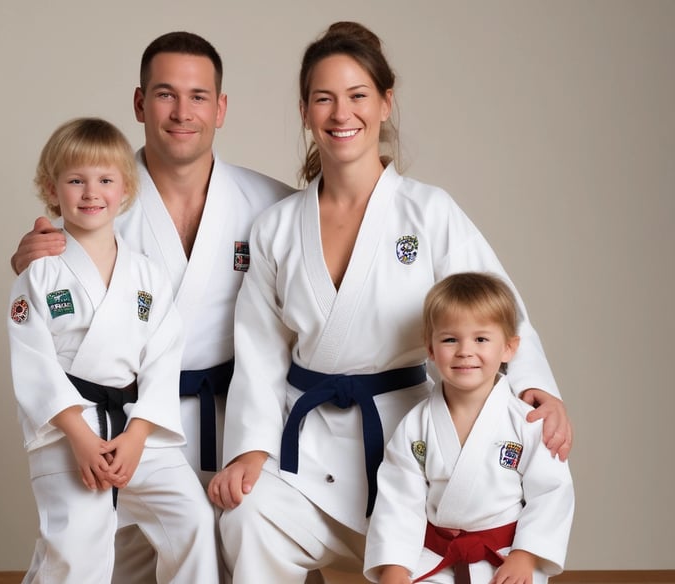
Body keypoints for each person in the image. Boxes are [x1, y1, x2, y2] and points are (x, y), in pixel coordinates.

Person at [208, 21, 572, 584]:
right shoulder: (278, 227)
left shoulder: (428, 212)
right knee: (247, 516)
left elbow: (497, 305)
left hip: (415, 450)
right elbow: (258, 350)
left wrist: (537, 390)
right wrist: (251, 448)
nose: (341, 114)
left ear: (385, 103)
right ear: (305, 111)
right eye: (323, 99)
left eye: (357, 96)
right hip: (306, 456)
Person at [10, 32, 293, 583]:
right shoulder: (100, 197)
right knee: (94, 560)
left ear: (222, 108)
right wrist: (26, 260)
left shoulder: (273, 203)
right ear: (140, 104)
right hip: (124, 420)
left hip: (238, 418)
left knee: (251, 557)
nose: (182, 112)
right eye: (165, 94)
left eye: (199, 96)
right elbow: (50, 299)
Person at [7, 117, 219, 583]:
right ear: (51, 187)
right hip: (70, 434)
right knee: (75, 551)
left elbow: (163, 358)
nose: (91, 193)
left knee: (193, 521)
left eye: (105, 180)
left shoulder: (146, 274)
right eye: (76, 180)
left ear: (125, 189)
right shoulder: (39, 274)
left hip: (136, 433)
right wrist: (81, 438)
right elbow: (33, 364)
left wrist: (140, 434)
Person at [364, 272, 574, 584]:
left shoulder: (527, 422)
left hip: (505, 555)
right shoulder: (416, 425)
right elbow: (399, 500)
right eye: (450, 339)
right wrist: (394, 566)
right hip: (434, 556)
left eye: (481, 339)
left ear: (508, 348)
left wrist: (525, 555)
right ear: (431, 350)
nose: (465, 351)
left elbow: (551, 493)